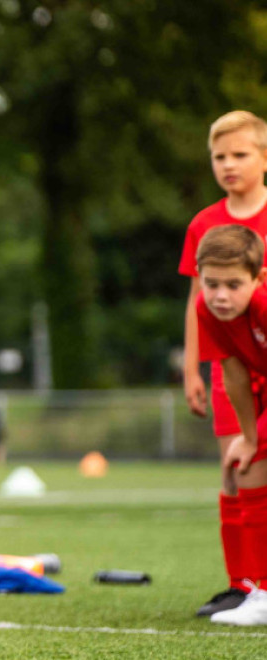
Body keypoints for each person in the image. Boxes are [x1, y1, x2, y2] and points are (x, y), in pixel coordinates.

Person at [180, 110, 267, 617]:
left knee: (257, 461)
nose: (229, 164)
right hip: (236, 356)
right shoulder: (204, 224)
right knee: (239, 466)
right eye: (220, 156)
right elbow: (200, 301)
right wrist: (193, 369)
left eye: (241, 154)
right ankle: (245, 585)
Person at [193, 224, 267, 625]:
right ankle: (259, 591)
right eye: (211, 283)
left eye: (234, 284)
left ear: (259, 279)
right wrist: (249, 437)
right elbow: (234, 374)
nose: (221, 295)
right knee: (246, 468)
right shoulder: (207, 310)